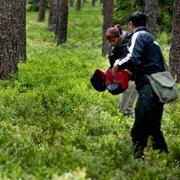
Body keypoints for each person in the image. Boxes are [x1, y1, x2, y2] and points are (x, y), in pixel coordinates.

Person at [112, 12, 168, 158]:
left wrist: (119, 63)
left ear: (131, 24)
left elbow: (133, 57)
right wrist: (132, 74)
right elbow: (148, 64)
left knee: (140, 127)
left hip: (149, 87)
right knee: (154, 128)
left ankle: (137, 161)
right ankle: (164, 158)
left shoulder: (138, 35)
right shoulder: (151, 38)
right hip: (160, 86)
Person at [105, 25, 137, 116]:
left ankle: (129, 126)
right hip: (124, 77)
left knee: (126, 108)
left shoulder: (129, 43)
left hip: (133, 77)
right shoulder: (115, 45)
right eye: (109, 41)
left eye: (113, 41)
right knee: (122, 106)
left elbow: (132, 60)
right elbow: (113, 63)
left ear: (118, 37)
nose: (111, 43)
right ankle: (124, 123)